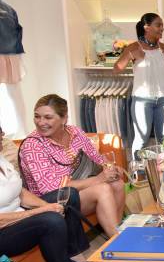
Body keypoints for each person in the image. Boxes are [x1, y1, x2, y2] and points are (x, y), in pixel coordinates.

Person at [0, 125, 94, 262]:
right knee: (51, 221)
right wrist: (42, 211)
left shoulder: (2, 157)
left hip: (19, 215)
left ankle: (74, 256)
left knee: (69, 194)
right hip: (4, 231)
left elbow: (20, 192)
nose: (3, 134)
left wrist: (48, 205)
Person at [19, 95, 124, 251]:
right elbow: (52, 189)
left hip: (79, 188)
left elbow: (97, 158)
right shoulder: (32, 146)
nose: (41, 122)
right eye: (37, 116)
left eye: (48, 117)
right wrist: (99, 179)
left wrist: (110, 167)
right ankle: (122, 245)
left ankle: (117, 232)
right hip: (51, 200)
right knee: (103, 188)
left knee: (117, 183)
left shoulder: (75, 132)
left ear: (64, 118)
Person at [114, 13, 164, 158]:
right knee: (142, 139)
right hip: (142, 100)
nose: (162, 28)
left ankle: (163, 171)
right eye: (158, 25)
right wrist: (130, 56)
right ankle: (138, 174)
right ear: (147, 27)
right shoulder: (134, 47)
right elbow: (116, 69)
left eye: (162, 25)